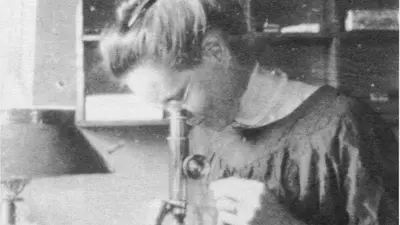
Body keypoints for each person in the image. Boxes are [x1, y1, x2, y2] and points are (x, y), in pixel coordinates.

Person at [99, 0, 399, 224]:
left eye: (180, 97)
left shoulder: (344, 125)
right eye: (164, 107)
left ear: (215, 52)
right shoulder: (213, 132)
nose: (180, 119)